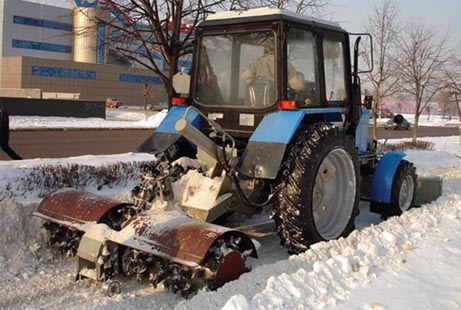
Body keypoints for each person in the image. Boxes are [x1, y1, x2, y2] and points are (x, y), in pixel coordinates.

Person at [240, 39, 305, 92]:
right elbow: (294, 85)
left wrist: (256, 83)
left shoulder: (257, 62)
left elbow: (244, 77)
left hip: (256, 104)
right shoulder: (287, 65)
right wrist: (304, 88)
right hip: (277, 103)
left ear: (266, 49)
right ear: (280, 49)